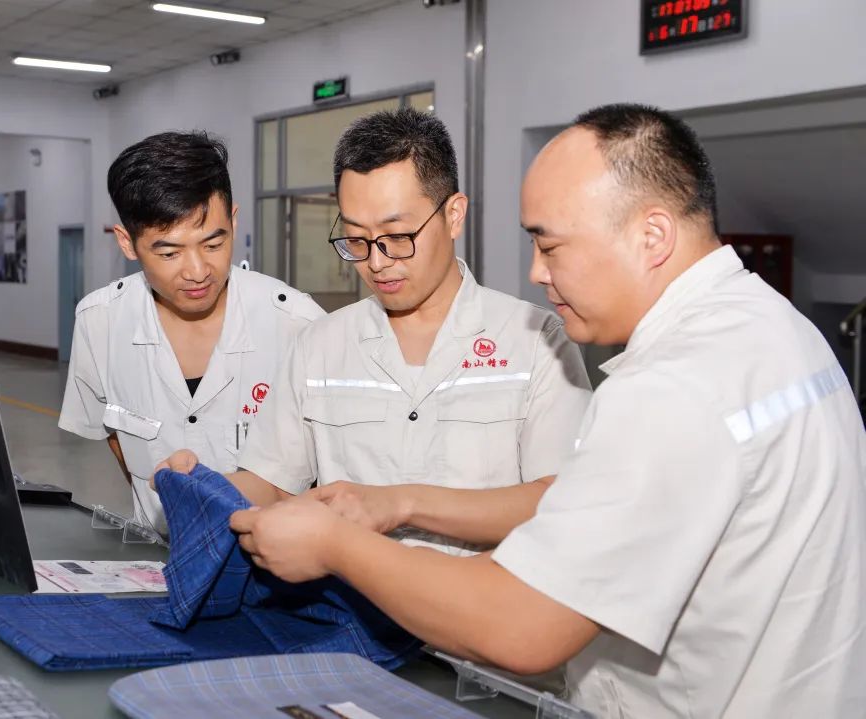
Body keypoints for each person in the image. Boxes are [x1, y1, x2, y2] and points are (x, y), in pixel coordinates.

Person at [227, 104, 866, 717]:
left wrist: (337, 544)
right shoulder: (777, 329)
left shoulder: (671, 386)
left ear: (652, 236)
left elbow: (522, 626)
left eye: (551, 245)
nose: (535, 271)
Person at [165, 107, 591, 555]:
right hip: (349, 597)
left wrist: (403, 505)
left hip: (484, 594)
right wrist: (206, 489)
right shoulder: (320, 346)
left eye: (398, 236)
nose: (377, 261)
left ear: (454, 215)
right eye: (356, 239)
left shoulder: (534, 341)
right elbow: (274, 484)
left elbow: (558, 499)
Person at [58, 131, 323, 535]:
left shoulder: (298, 324)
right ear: (127, 243)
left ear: (233, 221)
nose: (198, 272)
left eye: (213, 245)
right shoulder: (100, 322)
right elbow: (115, 438)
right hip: (159, 553)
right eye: (169, 253)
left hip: (274, 558)